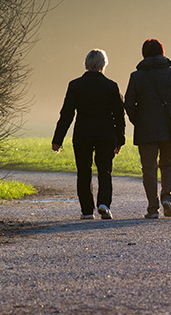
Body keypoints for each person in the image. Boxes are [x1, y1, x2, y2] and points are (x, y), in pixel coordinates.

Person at [124, 39, 171, 219]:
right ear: (162, 53)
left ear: (144, 54)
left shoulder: (137, 76)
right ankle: (167, 198)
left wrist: (138, 120)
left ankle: (152, 207)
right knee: (168, 163)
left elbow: (128, 103)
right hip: (169, 126)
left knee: (149, 168)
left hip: (145, 128)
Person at [52, 49, 125, 220]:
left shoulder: (75, 85)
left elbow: (67, 114)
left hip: (83, 133)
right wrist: (120, 139)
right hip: (106, 134)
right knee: (105, 170)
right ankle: (104, 205)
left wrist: (58, 140)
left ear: (86, 63)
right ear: (103, 64)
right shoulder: (111, 86)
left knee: (83, 172)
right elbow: (119, 115)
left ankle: (86, 210)